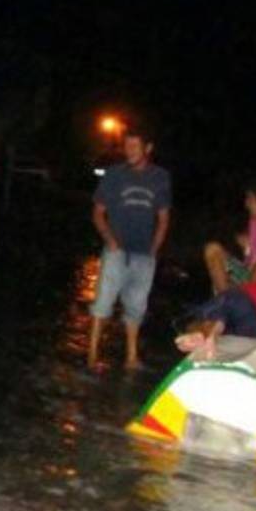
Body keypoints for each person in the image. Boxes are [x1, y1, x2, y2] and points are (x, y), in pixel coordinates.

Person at [88, 124, 172, 371]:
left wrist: (154, 250)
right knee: (103, 302)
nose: (129, 150)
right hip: (117, 250)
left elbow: (164, 217)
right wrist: (111, 241)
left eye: (135, 146)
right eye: (126, 145)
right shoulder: (114, 175)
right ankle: (92, 355)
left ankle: (131, 357)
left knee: (136, 308)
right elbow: (97, 213)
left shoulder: (160, 177)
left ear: (148, 148)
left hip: (144, 253)